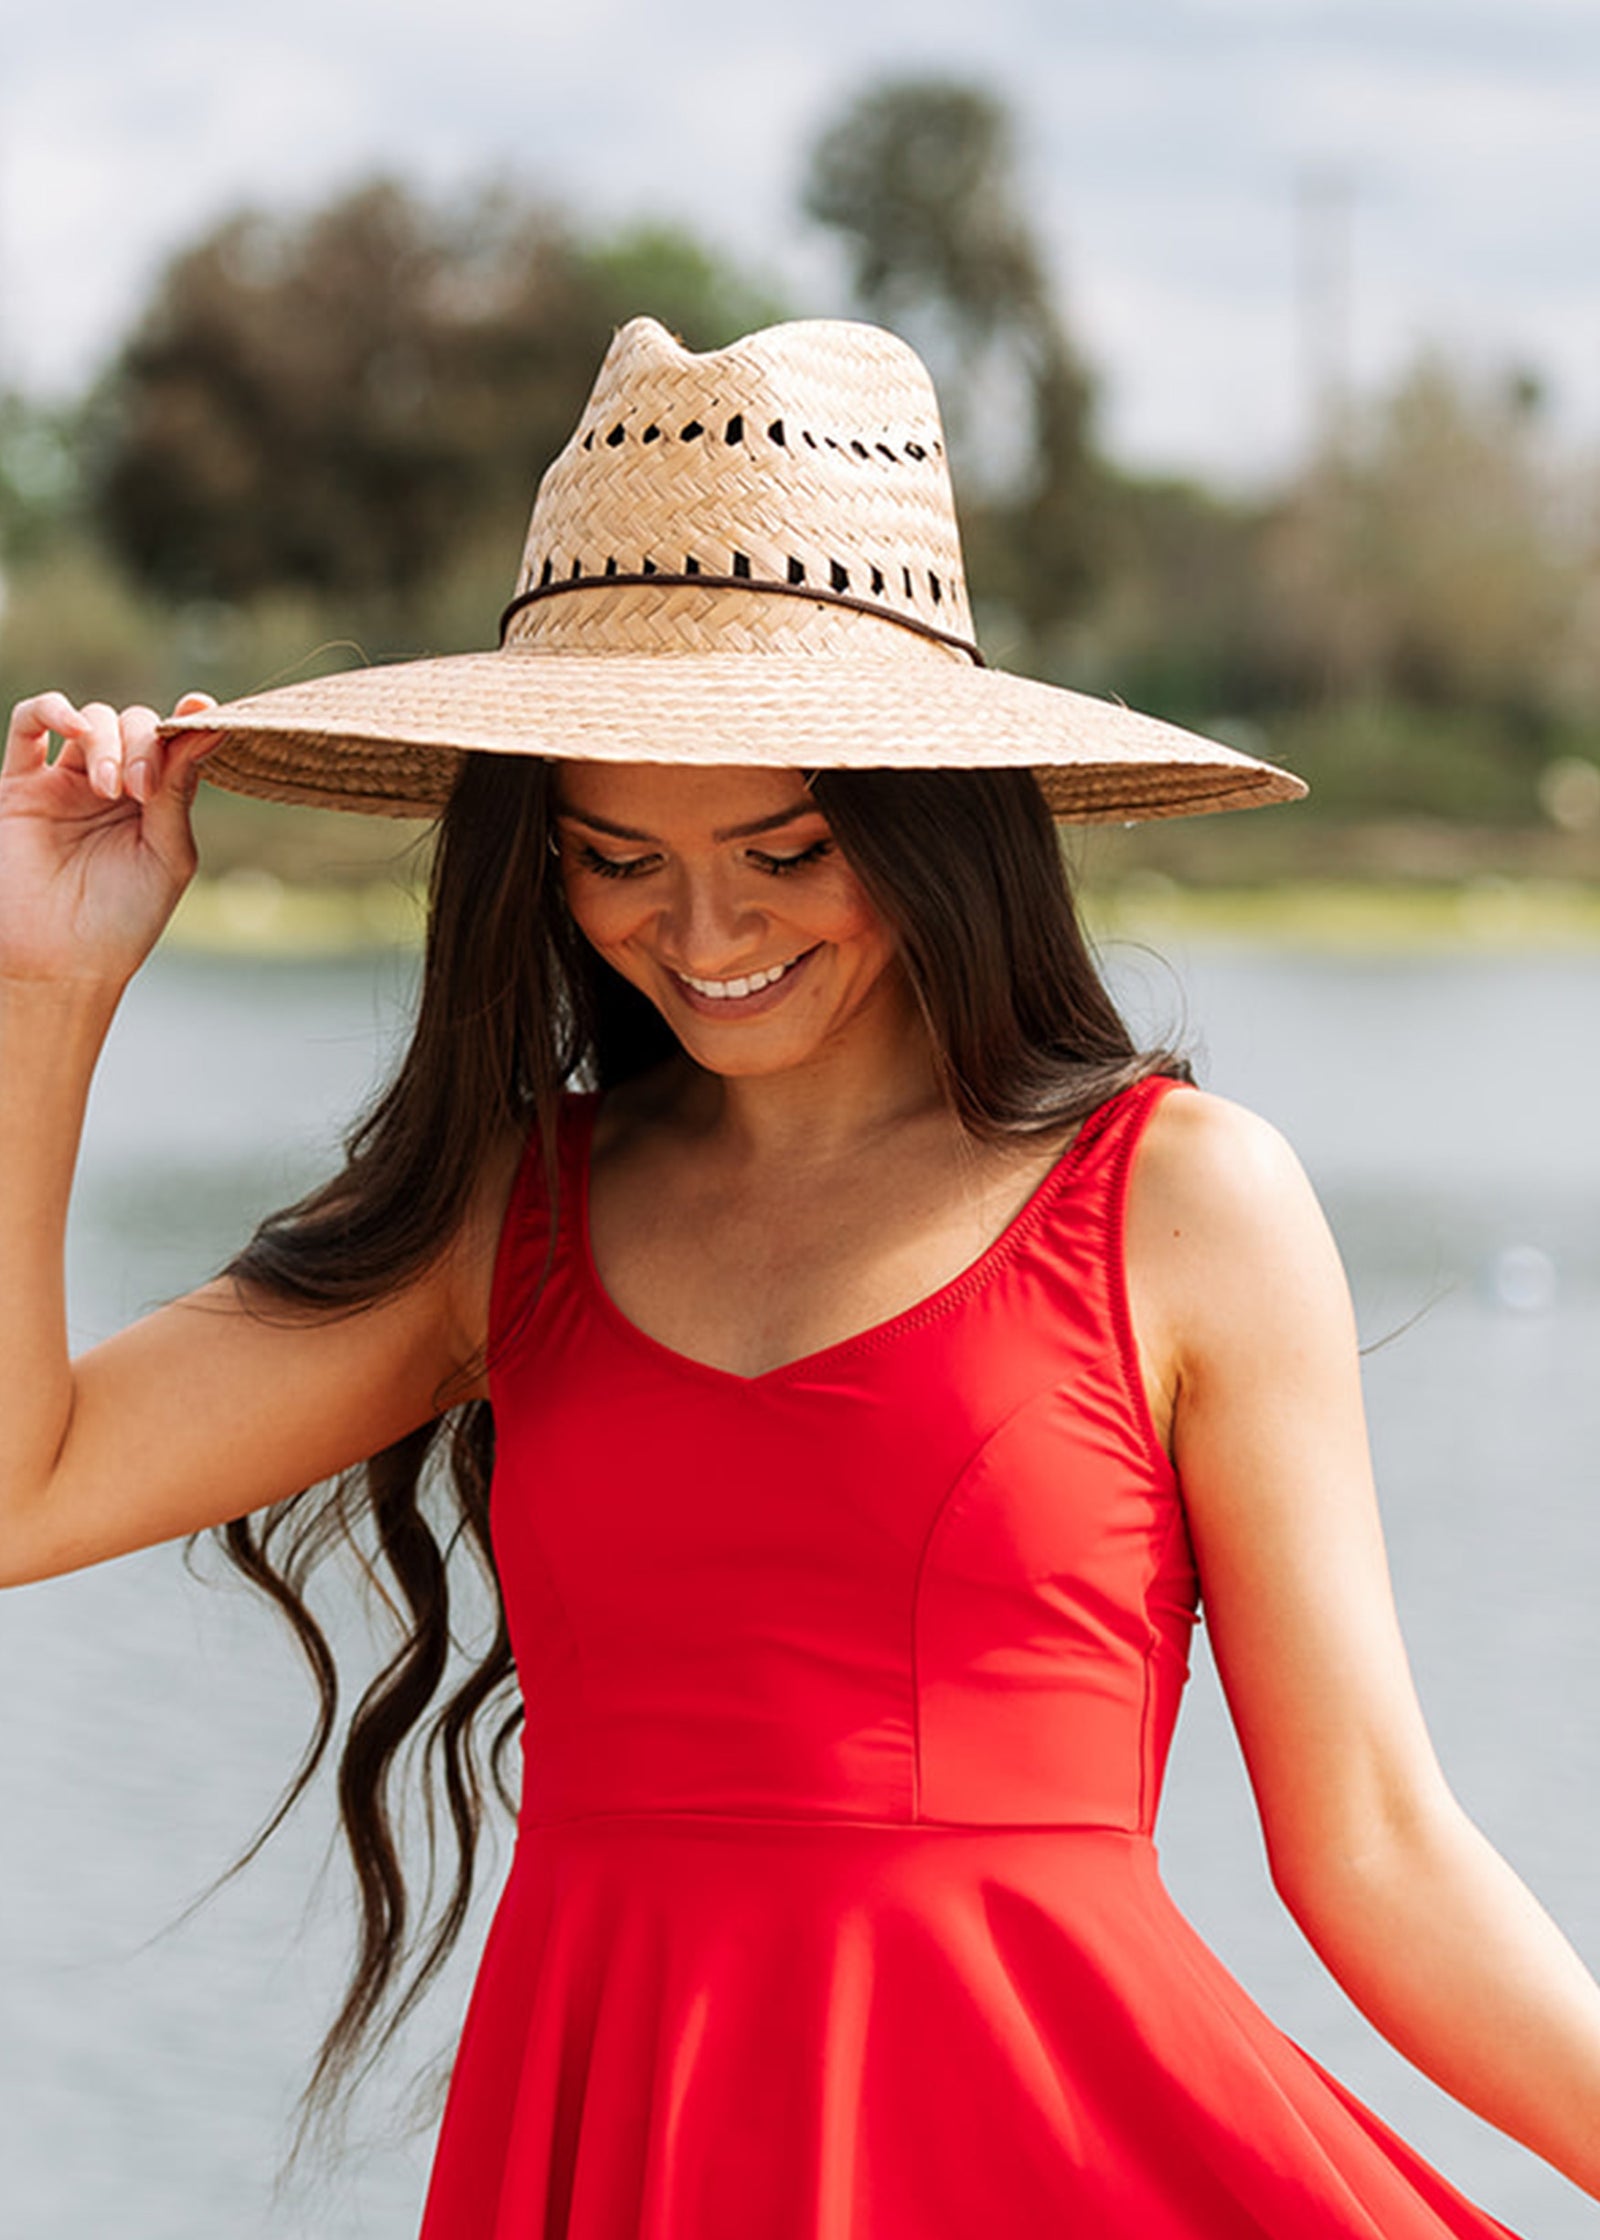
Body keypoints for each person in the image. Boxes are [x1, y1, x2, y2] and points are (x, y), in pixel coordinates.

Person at [2, 314, 1597, 2240]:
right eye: (614, 859)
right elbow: (33, 1488)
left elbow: (1378, 1854)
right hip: (624, 2145)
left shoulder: (1178, 1206)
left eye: (789, 845)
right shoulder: (506, 1218)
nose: (703, 928)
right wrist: (47, 989)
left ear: (934, 826)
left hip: (1065, 2159)